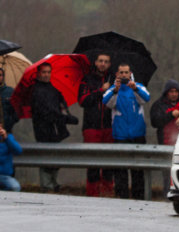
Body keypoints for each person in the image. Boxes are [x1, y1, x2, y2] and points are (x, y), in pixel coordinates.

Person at [102, 63, 150, 199]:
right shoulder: (113, 90)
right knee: (120, 170)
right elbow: (106, 102)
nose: (124, 75)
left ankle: (139, 197)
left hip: (138, 135)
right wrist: (115, 90)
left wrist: (135, 89)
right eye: (121, 73)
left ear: (130, 74)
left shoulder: (138, 87)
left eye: (126, 72)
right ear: (117, 74)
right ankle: (122, 197)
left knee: (138, 170)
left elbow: (146, 98)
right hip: (120, 135)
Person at [31, 62, 78, 192]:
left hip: (55, 129)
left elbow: (58, 107)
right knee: (46, 158)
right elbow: (46, 113)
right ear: (38, 73)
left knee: (55, 157)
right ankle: (47, 186)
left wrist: (65, 114)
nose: (46, 75)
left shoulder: (52, 89)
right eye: (44, 72)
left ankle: (53, 183)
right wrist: (66, 118)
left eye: (48, 72)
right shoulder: (36, 91)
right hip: (43, 130)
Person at [77, 52, 114, 197]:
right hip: (91, 126)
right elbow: (83, 101)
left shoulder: (113, 80)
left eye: (106, 61)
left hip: (109, 126)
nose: (103, 64)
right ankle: (92, 194)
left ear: (109, 64)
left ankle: (107, 192)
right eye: (101, 61)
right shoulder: (87, 79)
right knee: (92, 162)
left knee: (109, 162)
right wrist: (101, 91)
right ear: (96, 63)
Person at [0, 125, 21, 191]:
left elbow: (18, 151)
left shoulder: (8, 138)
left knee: (15, 187)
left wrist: (6, 138)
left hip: (5, 176)